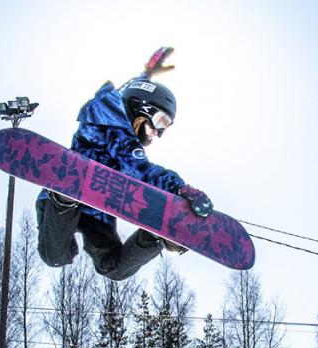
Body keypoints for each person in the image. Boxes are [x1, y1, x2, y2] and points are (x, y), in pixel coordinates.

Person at [36, 47, 213, 282]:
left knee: (114, 269)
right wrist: (179, 188)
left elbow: (131, 90)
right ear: (140, 109)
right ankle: (65, 196)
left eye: (166, 127)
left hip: (96, 209)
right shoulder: (112, 125)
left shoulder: (120, 110)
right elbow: (141, 170)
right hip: (61, 205)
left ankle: (157, 235)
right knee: (55, 256)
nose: (158, 133)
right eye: (160, 121)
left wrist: (147, 73)